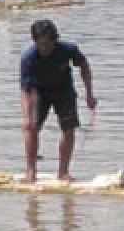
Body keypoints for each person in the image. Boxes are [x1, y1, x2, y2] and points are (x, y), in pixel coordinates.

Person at [19, 19, 97, 183]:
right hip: (38, 89)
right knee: (30, 127)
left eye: (49, 44)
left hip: (63, 89)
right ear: (35, 42)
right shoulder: (28, 57)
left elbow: (84, 67)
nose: (45, 48)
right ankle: (31, 171)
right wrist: (27, 116)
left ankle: (63, 172)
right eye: (41, 45)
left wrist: (89, 93)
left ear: (55, 40)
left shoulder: (68, 49)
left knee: (68, 128)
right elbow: (26, 91)